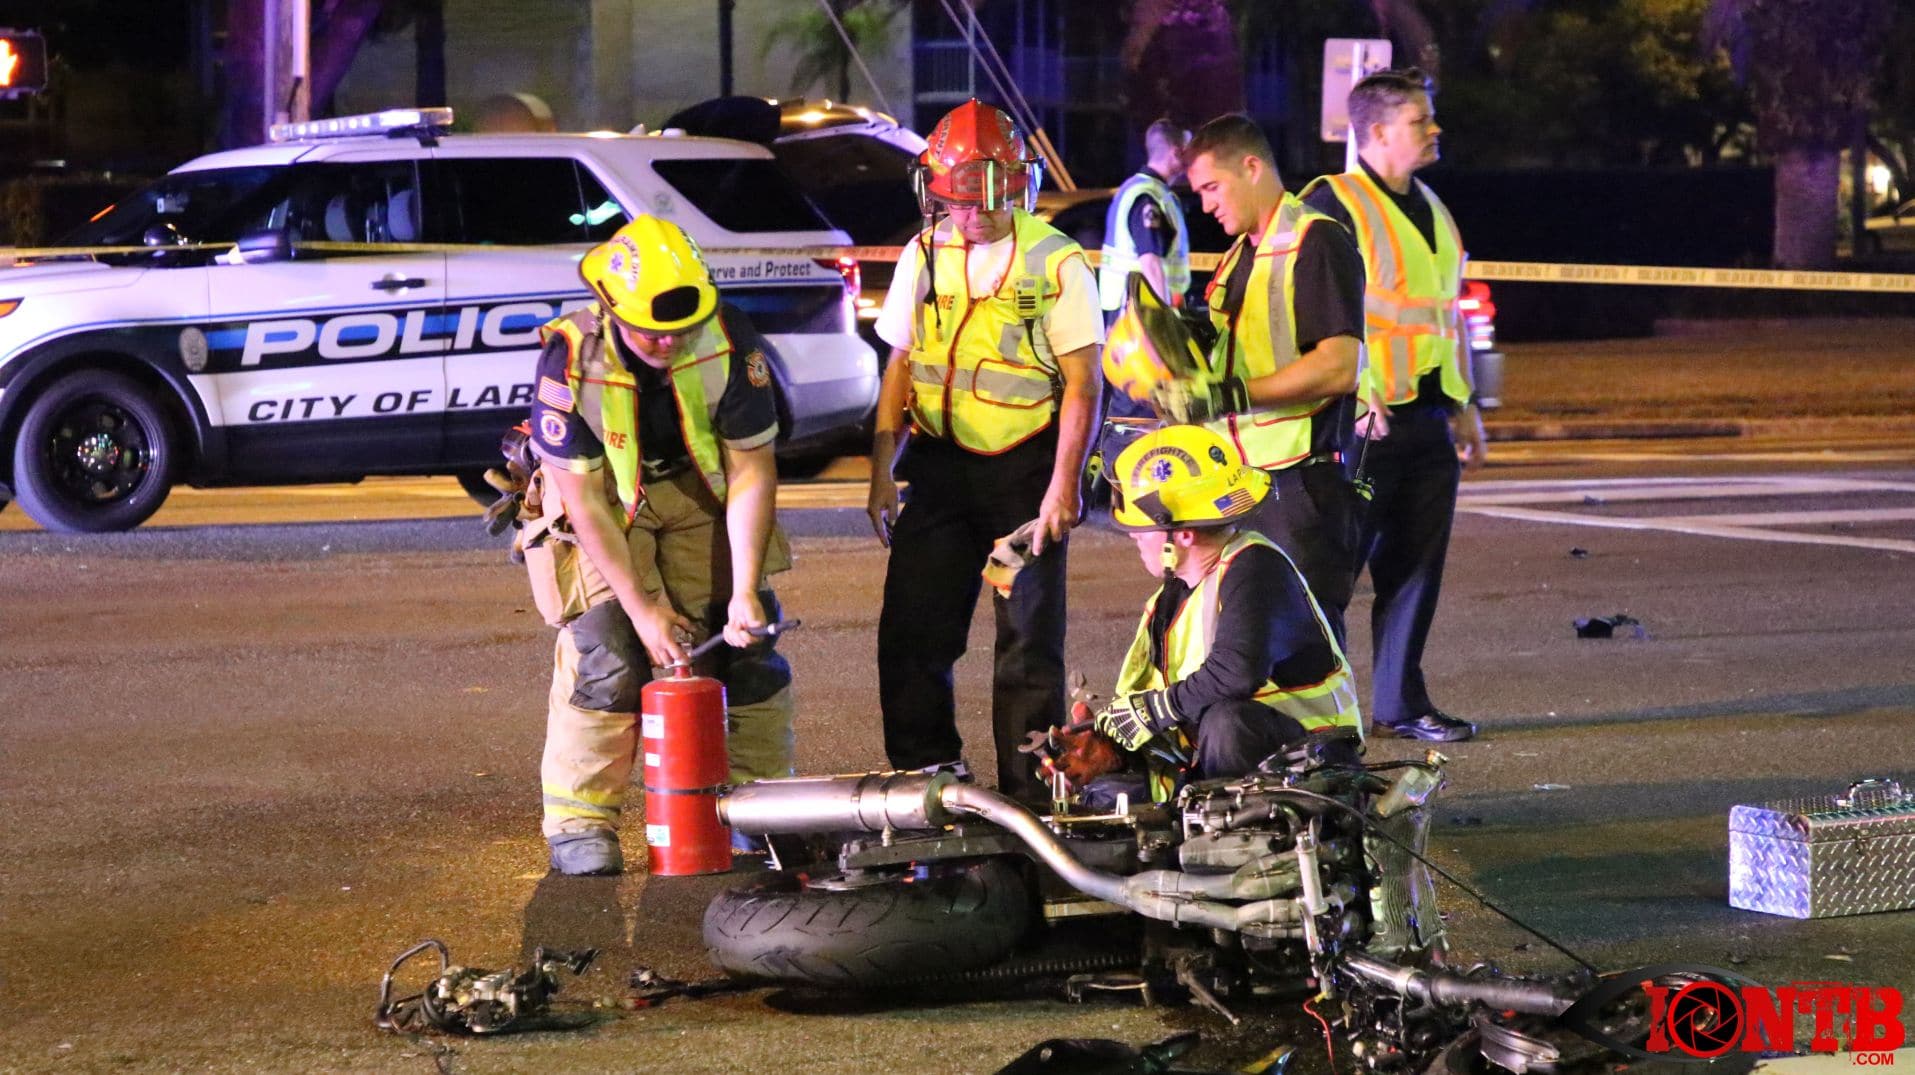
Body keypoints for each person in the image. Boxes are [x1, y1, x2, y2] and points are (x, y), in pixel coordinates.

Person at [519, 214, 795, 875]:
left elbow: (752, 470)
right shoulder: (568, 360)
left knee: (746, 645)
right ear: (611, 309)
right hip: (607, 498)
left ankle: (756, 811)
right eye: (650, 329)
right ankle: (580, 821)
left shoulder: (729, 339)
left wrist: (743, 592)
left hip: (699, 489)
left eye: (678, 328)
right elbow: (584, 502)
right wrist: (642, 609)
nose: (667, 341)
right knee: (611, 649)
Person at [866, 99, 1104, 803]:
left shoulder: (1055, 261)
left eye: (991, 201)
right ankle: (926, 776)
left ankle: (1030, 798)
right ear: (936, 195)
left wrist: (1062, 487)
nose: (975, 215)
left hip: (1023, 474)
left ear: (1020, 189)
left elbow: (1084, 386)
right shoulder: (924, 251)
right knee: (912, 631)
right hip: (939, 470)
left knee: (1027, 649)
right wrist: (882, 472)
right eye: (959, 202)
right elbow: (900, 367)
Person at [1300, 69, 1484, 743]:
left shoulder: (1431, 207)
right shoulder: (1331, 202)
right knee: (1330, 572)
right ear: (1375, 132)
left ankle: (1400, 702)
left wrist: (1464, 403)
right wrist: (1355, 389)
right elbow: (1313, 307)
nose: (1434, 130)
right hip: (1363, 418)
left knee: (1413, 569)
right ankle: (1314, 710)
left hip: (1425, 416)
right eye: (1420, 121)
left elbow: (1446, 314)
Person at [1153, 113, 1367, 646]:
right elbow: (1238, 351)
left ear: (1251, 167)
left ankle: (1328, 735)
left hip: (1299, 483)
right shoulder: (1241, 252)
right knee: (1251, 645)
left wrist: (1227, 395)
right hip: (1249, 480)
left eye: (1210, 187)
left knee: (1308, 648)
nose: (1204, 205)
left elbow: (1339, 366)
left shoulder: (1316, 242)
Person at [1092, 425, 1362, 800]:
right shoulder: (1174, 595)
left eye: (1141, 527)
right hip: (1243, 762)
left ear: (1183, 534)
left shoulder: (1256, 568)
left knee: (1228, 723)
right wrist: (1106, 739)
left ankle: (1230, 852)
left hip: (1317, 765)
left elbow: (1237, 672)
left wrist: (1156, 710)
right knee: (1109, 798)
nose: (1134, 536)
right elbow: (1168, 701)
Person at [1100, 118, 1192, 320]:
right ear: (1175, 152)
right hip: (1143, 313)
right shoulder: (1147, 196)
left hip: (1132, 309)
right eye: (1188, 151)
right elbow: (1150, 261)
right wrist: (1166, 316)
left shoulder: (1137, 188)